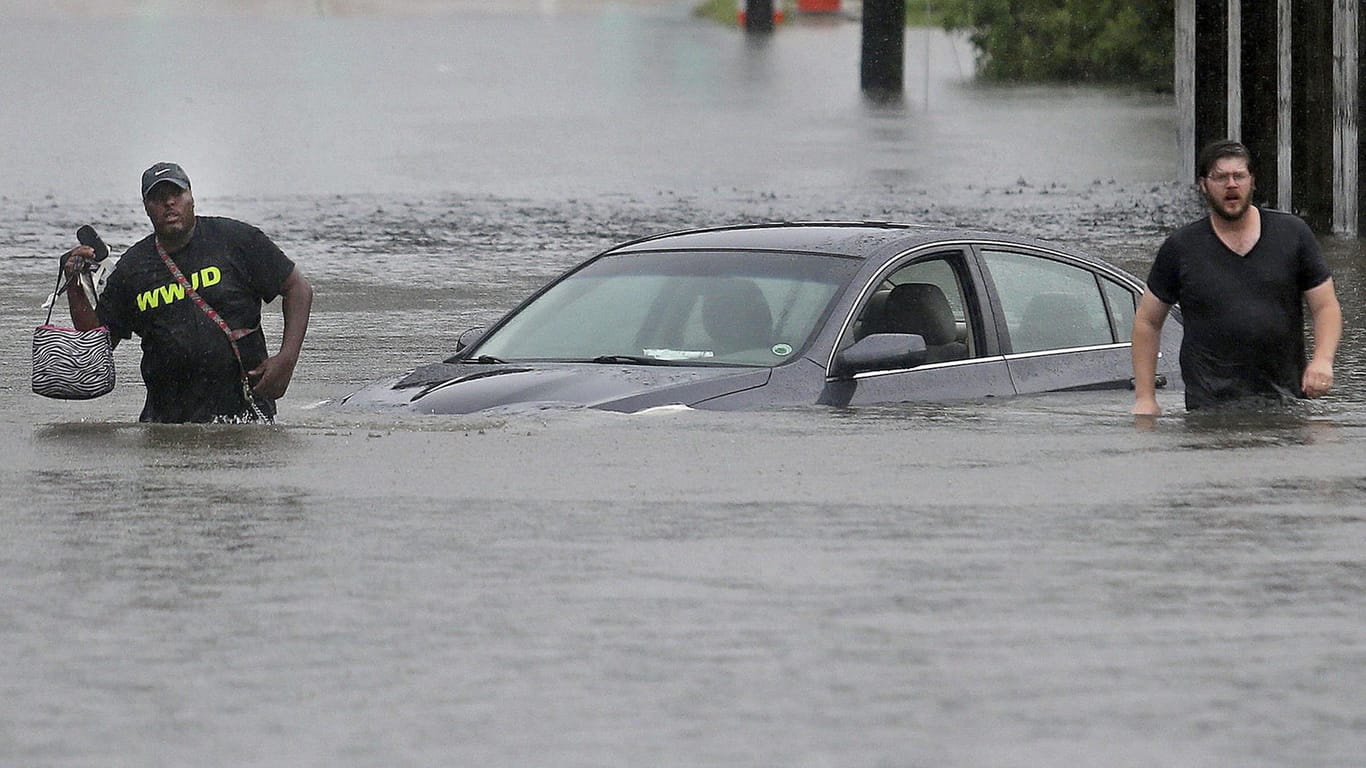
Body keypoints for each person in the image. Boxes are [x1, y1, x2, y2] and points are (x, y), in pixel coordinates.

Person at [62, 162, 313, 423]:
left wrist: (287, 359)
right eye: (158, 198)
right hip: (166, 423)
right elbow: (95, 349)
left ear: (191, 197)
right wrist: (74, 286)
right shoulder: (132, 269)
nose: (169, 203)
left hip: (245, 415)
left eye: (177, 194)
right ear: (147, 208)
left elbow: (298, 288)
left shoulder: (236, 240)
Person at [1131, 140, 1342, 415]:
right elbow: (1147, 321)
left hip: (1285, 401)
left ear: (1252, 181)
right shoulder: (1181, 247)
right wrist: (1145, 398)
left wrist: (1323, 360)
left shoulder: (1293, 234)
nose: (1231, 184)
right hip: (1208, 407)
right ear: (1203, 185)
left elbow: (1325, 305)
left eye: (1239, 176)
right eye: (1220, 177)